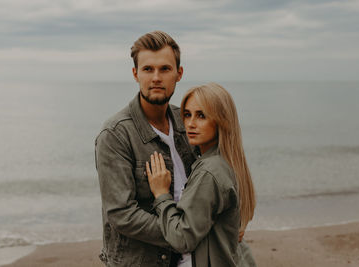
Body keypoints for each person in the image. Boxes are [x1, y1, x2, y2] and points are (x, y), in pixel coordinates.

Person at [95, 31, 196, 266]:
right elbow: (122, 214)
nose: (156, 77)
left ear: (179, 74)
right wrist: (181, 233)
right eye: (148, 69)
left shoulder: (187, 122)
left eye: (165, 69)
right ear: (135, 74)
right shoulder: (115, 134)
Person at [146, 83, 257, 266]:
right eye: (187, 114)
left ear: (221, 120)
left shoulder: (209, 172)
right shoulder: (227, 161)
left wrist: (161, 195)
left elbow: (182, 238)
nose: (190, 123)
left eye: (201, 116)